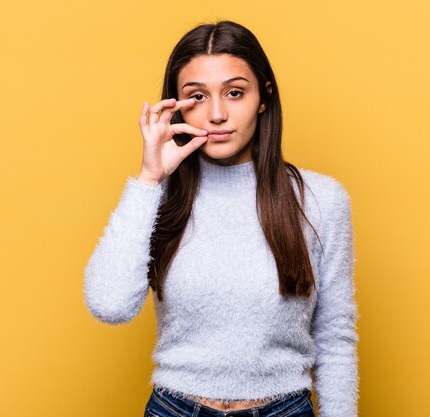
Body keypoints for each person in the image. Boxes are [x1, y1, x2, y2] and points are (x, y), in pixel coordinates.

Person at [83, 20, 358, 417]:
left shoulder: (320, 200)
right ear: (175, 105)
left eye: (234, 93)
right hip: (174, 408)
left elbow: (334, 337)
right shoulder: (158, 197)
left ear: (263, 97)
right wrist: (149, 179)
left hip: (284, 408)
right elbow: (110, 305)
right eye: (196, 96)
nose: (216, 114)